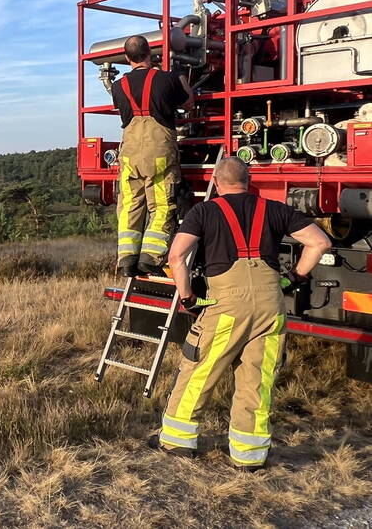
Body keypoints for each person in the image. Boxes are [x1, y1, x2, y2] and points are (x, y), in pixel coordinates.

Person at [151, 157, 331, 469]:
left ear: (218, 184)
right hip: (270, 306)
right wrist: (295, 278)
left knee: (200, 370)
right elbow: (320, 242)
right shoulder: (275, 209)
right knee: (257, 379)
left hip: (227, 306)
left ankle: (176, 441)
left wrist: (188, 296)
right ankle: (249, 456)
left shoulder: (205, 211)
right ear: (249, 183)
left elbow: (177, 255)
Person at [112, 35, 195, 277]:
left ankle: (127, 260)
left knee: (129, 205)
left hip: (129, 154)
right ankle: (150, 257)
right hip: (159, 151)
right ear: (150, 53)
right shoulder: (167, 79)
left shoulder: (118, 86)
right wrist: (180, 76)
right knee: (160, 205)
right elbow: (189, 103)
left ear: (127, 58)